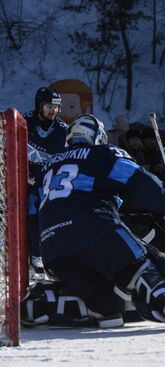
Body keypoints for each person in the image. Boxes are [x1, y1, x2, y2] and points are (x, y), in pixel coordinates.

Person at [24, 114, 165, 329]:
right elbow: (138, 181)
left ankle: (41, 301)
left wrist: (39, 251)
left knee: (109, 306)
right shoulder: (102, 153)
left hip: (53, 247)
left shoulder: (47, 167)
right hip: (94, 228)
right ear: (98, 137)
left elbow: (33, 212)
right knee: (139, 264)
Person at [24, 87, 68, 277]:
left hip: (47, 181)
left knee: (44, 215)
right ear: (39, 105)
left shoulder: (62, 129)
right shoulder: (24, 122)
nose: (54, 111)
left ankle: (41, 255)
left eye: (57, 107)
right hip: (20, 177)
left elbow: (62, 158)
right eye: (49, 106)